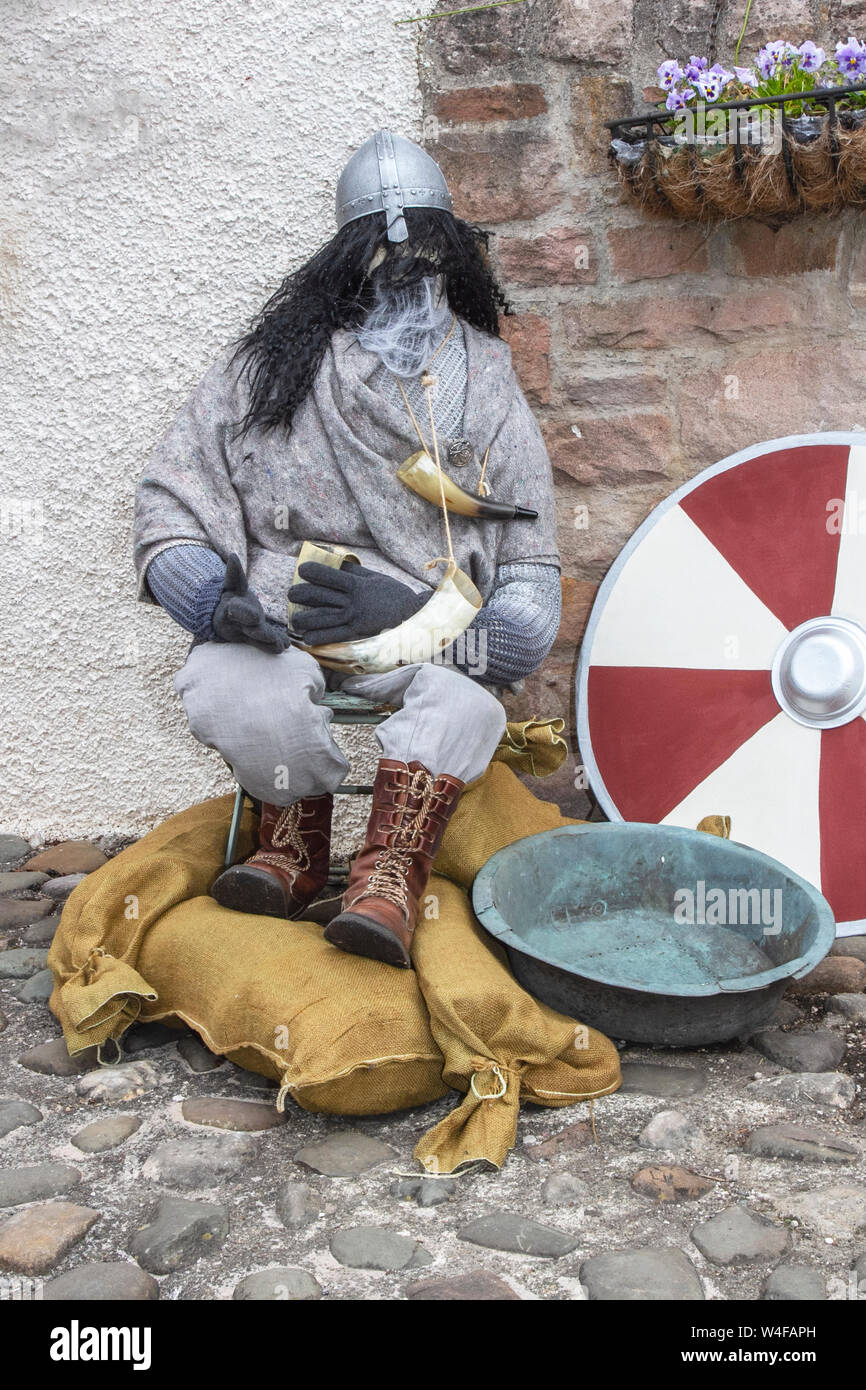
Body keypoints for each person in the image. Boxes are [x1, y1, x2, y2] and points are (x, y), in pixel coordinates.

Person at [133, 130, 561, 968]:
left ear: (455, 256)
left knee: (467, 705)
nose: (406, 268)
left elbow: (531, 577)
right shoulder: (267, 370)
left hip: (426, 632)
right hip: (278, 624)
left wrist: (417, 618)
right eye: (382, 250)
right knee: (231, 686)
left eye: (427, 248)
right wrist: (208, 600)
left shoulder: (488, 380)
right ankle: (291, 850)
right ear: (346, 259)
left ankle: (388, 876)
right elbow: (168, 503)